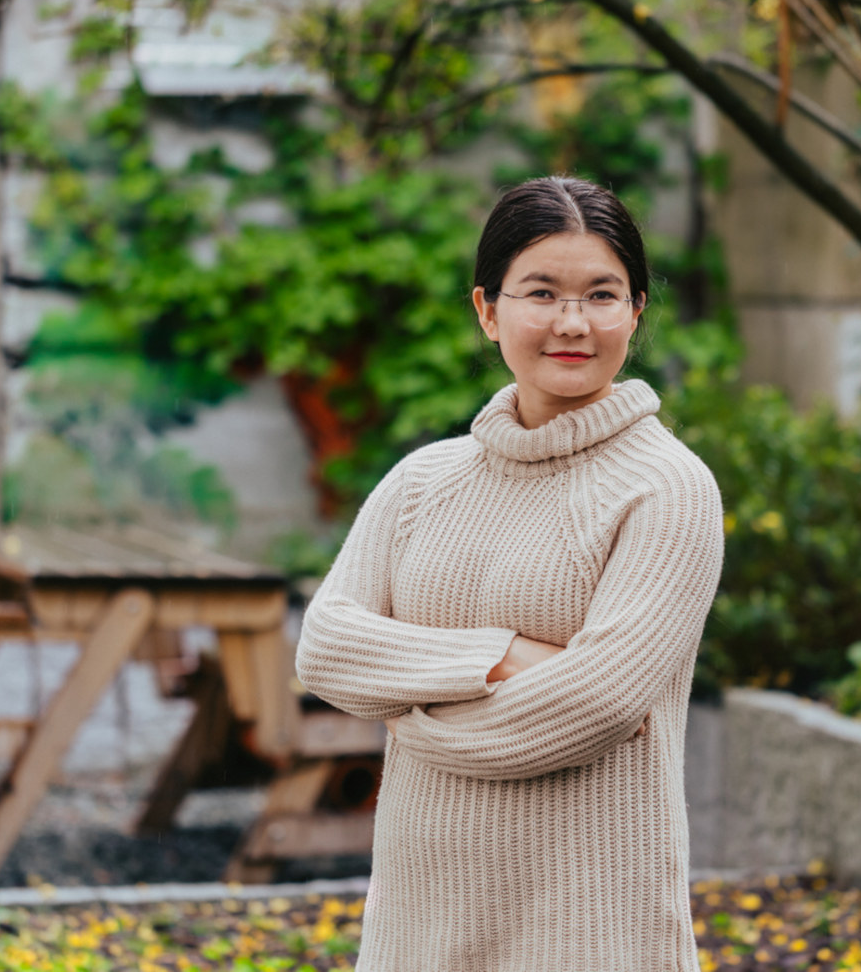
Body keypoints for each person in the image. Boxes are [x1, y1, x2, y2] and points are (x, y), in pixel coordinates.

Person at [296, 175, 724, 971]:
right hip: (418, 928)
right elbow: (325, 647)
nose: (572, 322)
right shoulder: (424, 480)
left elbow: (596, 704)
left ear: (635, 311)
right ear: (488, 311)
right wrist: (500, 655)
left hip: (586, 929)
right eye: (541, 293)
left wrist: (409, 716)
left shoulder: (666, 487)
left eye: (602, 293)